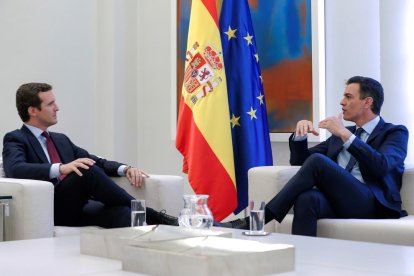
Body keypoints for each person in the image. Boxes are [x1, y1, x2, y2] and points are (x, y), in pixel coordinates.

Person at [232, 76, 409, 235]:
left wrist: (345, 135)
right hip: (340, 201)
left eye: (348, 97)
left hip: (373, 204)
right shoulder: (342, 134)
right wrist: (300, 136)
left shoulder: (394, 133)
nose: (342, 102)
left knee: (319, 162)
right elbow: (302, 163)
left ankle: (257, 220)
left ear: (367, 102)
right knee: (306, 198)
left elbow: (381, 165)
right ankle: (302, 264)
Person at [2, 83, 178, 228]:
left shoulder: (60, 139)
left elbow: (96, 161)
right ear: (33, 111)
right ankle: (155, 216)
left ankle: (140, 257)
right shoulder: (15, 138)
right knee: (86, 170)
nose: (57, 108)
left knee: (126, 213)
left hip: (79, 206)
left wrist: (126, 169)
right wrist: (61, 168)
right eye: (50, 104)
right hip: (52, 208)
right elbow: (16, 169)